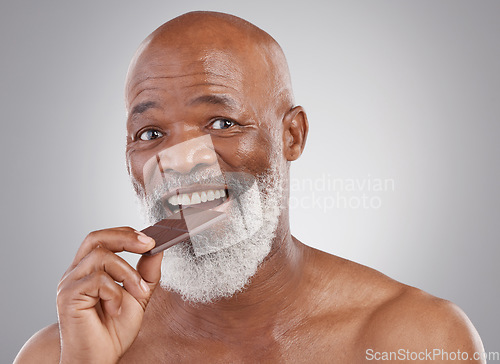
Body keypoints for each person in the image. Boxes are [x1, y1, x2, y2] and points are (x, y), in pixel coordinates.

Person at [15, 11, 484, 363]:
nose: (179, 165)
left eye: (221, 122)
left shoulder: (418, 340)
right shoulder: (57, 354)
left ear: (292, 136)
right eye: (150, 134)